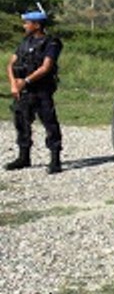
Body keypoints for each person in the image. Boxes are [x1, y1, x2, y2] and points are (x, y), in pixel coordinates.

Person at [5, 10, 64, 174]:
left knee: (50, 124)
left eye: (27, 23)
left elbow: (46, 67)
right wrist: (14, 85)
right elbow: (11, 64)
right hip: (22, 92)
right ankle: (24, 157)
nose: (24, 26)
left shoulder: (51, 43)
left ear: (37, 25)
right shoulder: (25, 42)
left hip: (41, 91)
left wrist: (26, 81)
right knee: (21, 123)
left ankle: (55, 159)